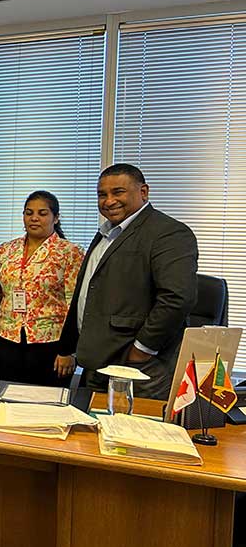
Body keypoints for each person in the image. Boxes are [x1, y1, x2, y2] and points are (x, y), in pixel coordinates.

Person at [59, 164, 198, 399]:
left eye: (118, 192)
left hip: (138, 369)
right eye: (102, 194)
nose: (109, 201)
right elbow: (89, 292)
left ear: (143, 192)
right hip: (97, 363)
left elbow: (177, 298)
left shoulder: (168, 232)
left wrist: (141, 350)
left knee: (133, 423)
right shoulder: (106, 233)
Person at [0, 191, 84, 387]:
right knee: (9, 395)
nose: (34, 218)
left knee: (47, 400)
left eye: (42, 213)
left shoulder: (70, 252)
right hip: (8, 338)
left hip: (51, 342)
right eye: (29, 212)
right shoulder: (6, 250)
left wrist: (69, 350)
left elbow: (75, 304)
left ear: (55, 218)